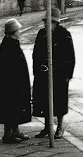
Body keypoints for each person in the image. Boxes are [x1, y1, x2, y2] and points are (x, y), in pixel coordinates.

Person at [32, 8, 76, 139]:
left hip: (60, 75)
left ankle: (60, 126)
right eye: (46, 22)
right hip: (43, 73)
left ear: (56, 23)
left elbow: (70, 56)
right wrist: (36, 71)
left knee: (59, 102)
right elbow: (35, 54)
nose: (47, 25)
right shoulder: (41, 34)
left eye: (50, 22)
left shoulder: (64, 34)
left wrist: (68, 74)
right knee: (44, 101)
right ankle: (47, 127)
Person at [0, 19, 31, 143]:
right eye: (18, 30)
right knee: (10, 107)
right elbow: (11, 66)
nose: (19, 32)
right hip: (11, 83)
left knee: (16, 107)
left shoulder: (12, 42)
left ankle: (15, 131)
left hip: (15, 81)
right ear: (14, 32)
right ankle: (8, 134)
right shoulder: (9, 44)